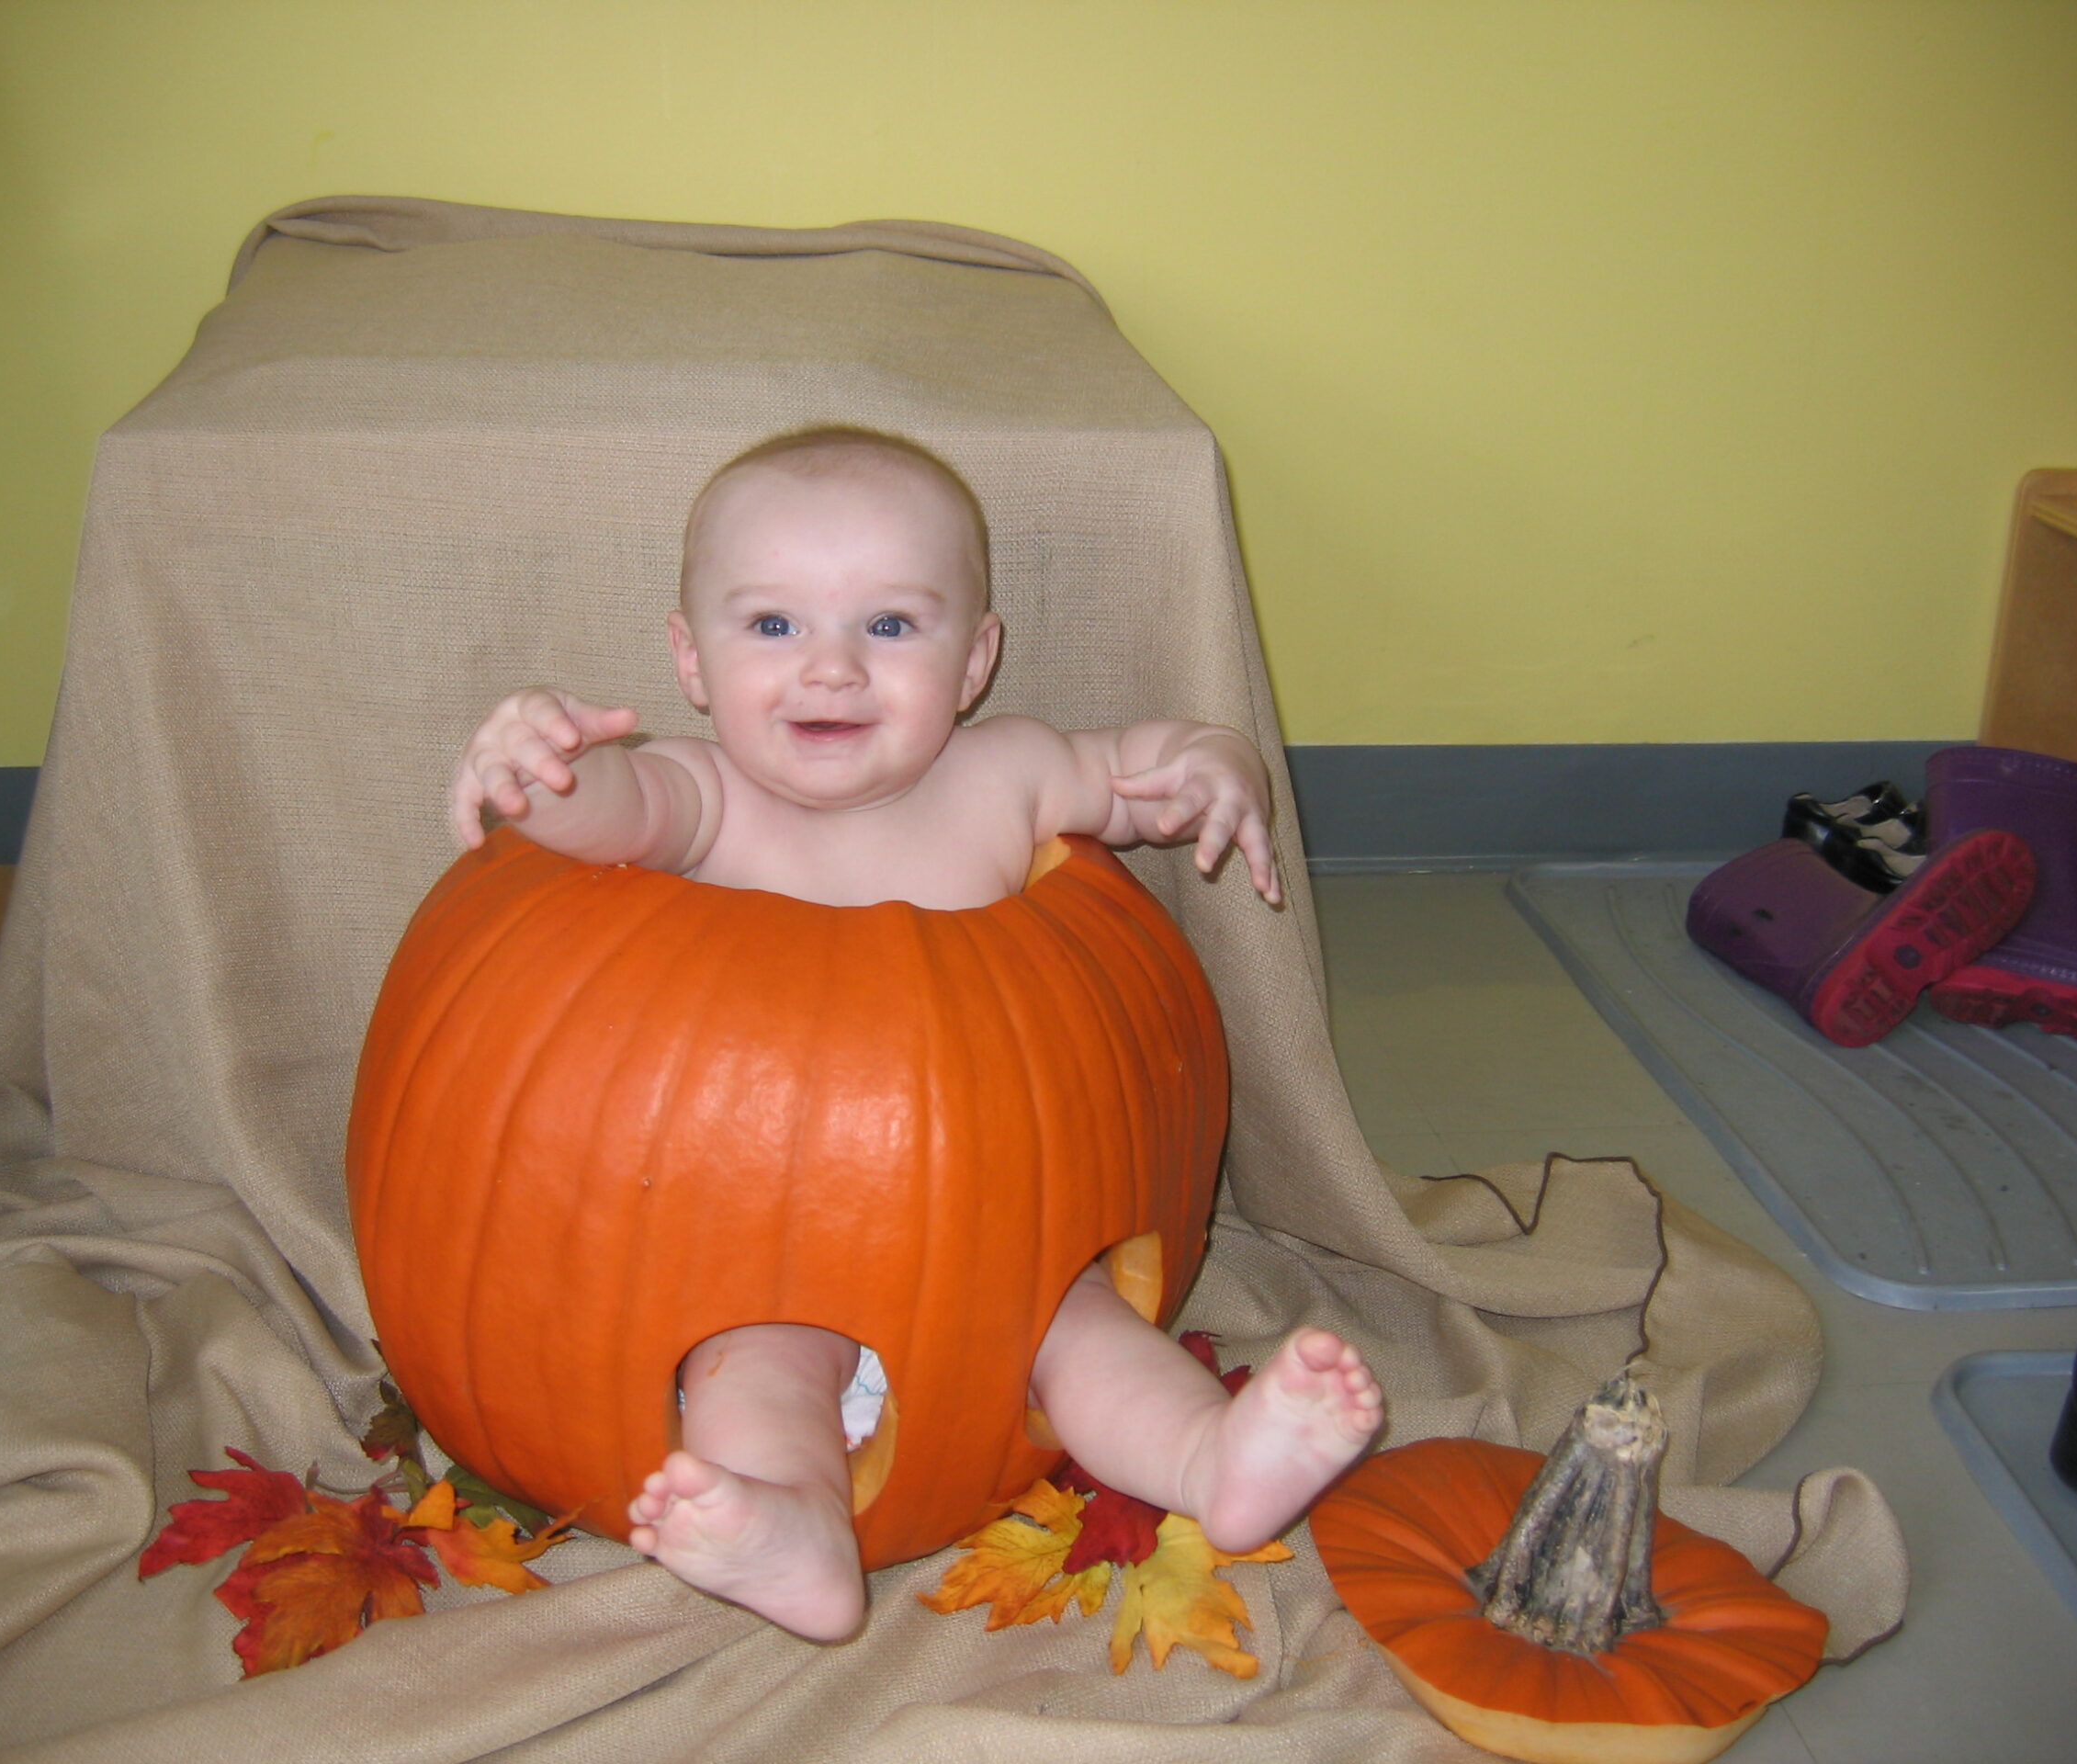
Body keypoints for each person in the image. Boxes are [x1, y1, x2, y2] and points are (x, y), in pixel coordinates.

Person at [449, 426, 1383, 1641]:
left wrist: (1215, 760)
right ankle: (797, 1530)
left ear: (976, 656)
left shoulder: (1008, 777)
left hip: (997, 1247)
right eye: (772, 626)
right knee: (756, 1370)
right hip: (748, 1254)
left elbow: (1138, 770)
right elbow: (609, 812)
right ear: (690, 657)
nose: (830, 670)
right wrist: (544, 771)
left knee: (1083, 1335)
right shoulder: (702, 796)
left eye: (889, 627)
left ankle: (1213, 1459)